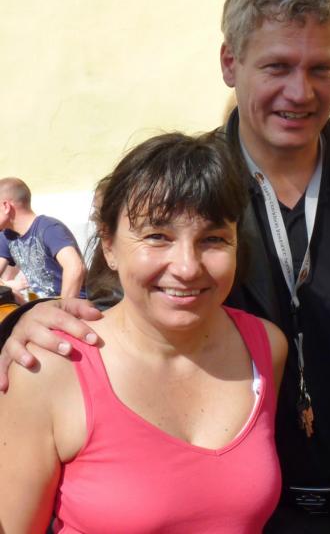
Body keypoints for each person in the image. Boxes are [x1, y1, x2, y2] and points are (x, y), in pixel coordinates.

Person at [0, 0, 330, 533]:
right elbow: (122, 309)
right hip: (248, 508)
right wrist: (29, 321)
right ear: (230, 63)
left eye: (321, 68)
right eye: (277, 66)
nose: (300, 92)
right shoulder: (183, 189)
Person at [0, 132, 288, 533]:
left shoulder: (266, 347)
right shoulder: (48, 368)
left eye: (213, 239)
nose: (187, 267)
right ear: (109, 245)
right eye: (157, 237)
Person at [0, 177, 86, 299]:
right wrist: (9, 286)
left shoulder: (49, 228)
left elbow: (75, 267)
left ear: (6, 207)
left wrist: (62, 307)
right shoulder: (7, 236)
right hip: (39, 306)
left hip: (73, 304)